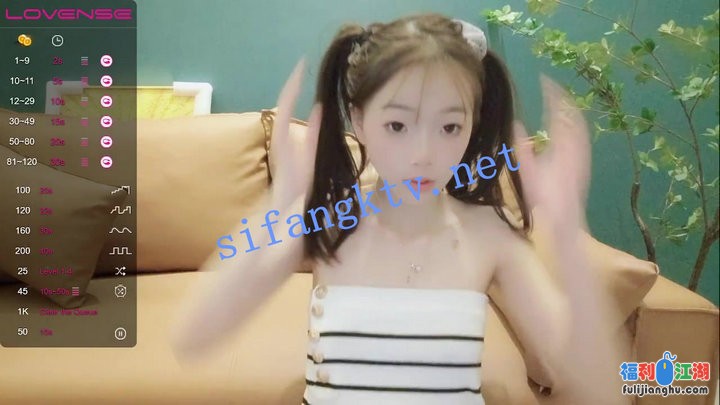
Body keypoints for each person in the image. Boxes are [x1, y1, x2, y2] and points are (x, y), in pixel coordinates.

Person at [171, 13, 625, 404]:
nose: (424, 154)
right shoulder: (329, 223)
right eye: (397, 125)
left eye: (450, 126)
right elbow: (194, 338)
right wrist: (281, 201)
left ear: (473, 123)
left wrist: (569, 238)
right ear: (359, 119)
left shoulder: (490, 235)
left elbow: (603, 391)